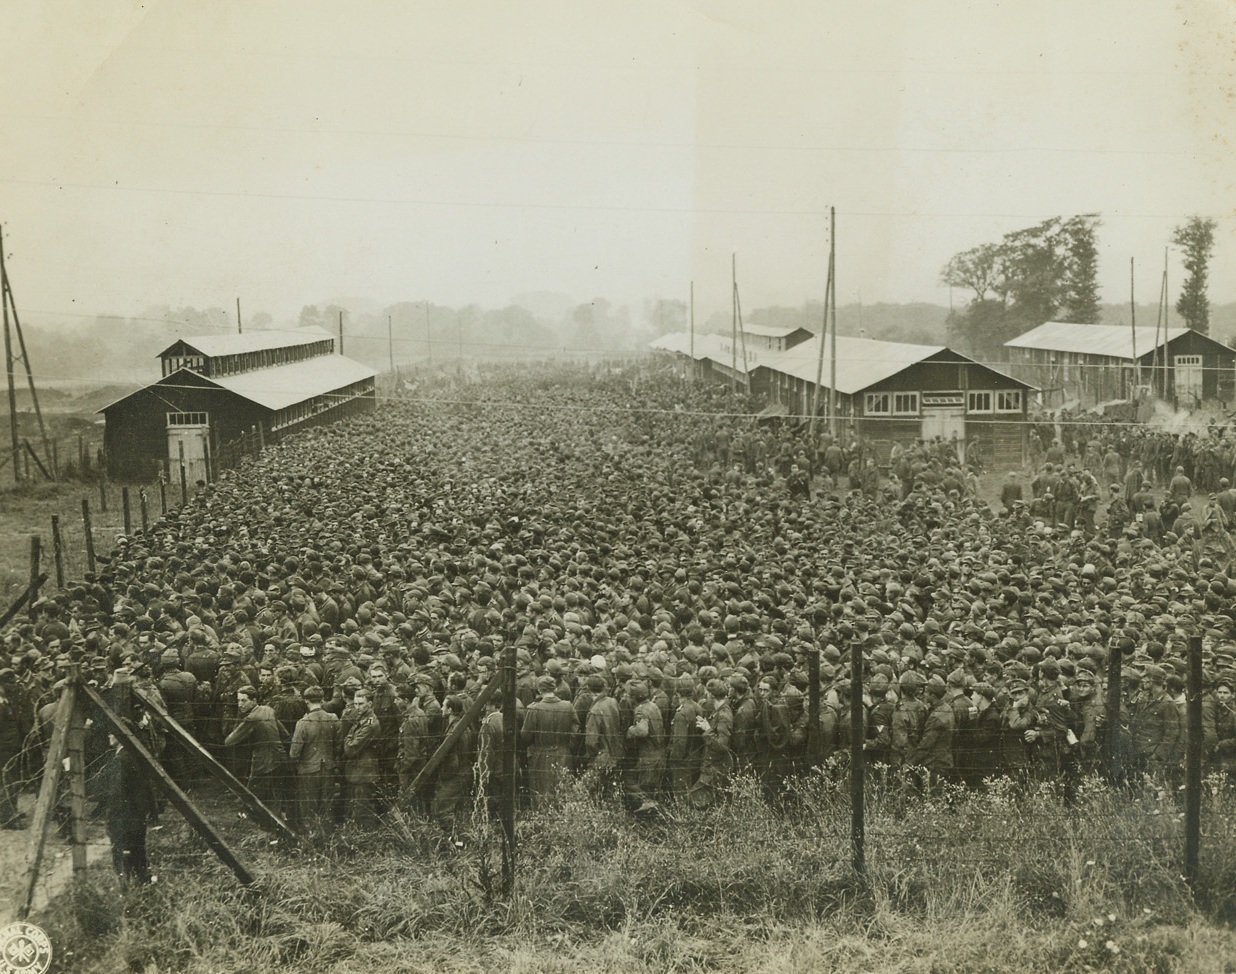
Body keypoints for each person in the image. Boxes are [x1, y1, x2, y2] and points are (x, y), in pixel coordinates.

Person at [101, 724, 158, 884]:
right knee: (138, 850)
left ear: (120, 737)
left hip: (124, 816)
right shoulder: (134, 755)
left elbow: (117, 795)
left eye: (112, 734)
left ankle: (126, 886)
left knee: (123, 853)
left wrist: (111, 818)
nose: (109, 736)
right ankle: (143, 881)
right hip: (137, 814)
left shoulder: (120, 760)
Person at [288, 684, 340, 835]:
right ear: (322, 700)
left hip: (308, 770)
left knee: (308, 806)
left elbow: (294, 753)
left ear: (306, 701)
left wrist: (296, 765)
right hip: (328, 768)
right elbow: (338, 744)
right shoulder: (333, 718)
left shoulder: (303, 723)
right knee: (327, 805)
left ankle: (311, 836)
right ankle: (327, 836)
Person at [520, 675, 577, 808]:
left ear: (539, 691)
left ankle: (543, 822)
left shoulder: (534, 709)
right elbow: (576, 729)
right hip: (564, 753)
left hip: (541, 755)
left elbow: (526, 736)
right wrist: (568, 744)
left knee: (541, 792)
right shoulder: (568, 706)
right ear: (555, 688)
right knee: (563, 791)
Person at [224, 684, 284, 807]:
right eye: (238, 701)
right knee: (274, 794)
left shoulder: (252, 718)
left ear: (254, 700)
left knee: (253, 794)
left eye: (244, 700)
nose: (240, 704)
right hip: (278, 756)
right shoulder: (267, 710)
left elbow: (229, 741)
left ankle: (250, 817)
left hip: (263, 761)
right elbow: (284, 734)